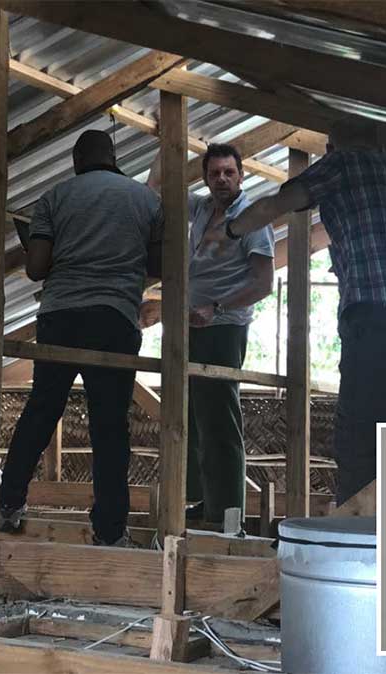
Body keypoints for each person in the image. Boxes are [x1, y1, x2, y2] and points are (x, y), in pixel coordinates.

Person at [206, 117, 386, 506]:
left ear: (330, 149)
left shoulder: (343, 164)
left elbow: (278, 203)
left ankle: (356, 544)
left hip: (378, 309)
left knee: (358, 435)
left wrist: (230, 231)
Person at [0, 129, 163, 547]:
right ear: (113, 157)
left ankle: (8, 504)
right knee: (109, 426)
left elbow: (36, 268)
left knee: (42, 409)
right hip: (114, 318)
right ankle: (109, 531)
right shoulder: (146, 200)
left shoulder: (53, 198)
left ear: (76, 161)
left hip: (60, 317)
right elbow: (159, 264)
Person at [147, 144, 275, 524]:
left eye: (229, 173)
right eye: (215, 173)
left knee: (219, 417)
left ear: (241, 175)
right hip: (191, 324)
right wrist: (168, 139)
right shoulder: (202, 208)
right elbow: (154, 188)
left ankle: (229, 512)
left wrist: (218, 307)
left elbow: (264, 282)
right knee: (193, 414)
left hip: (224, 328)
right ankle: (204, 500)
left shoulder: (252, 220)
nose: (222, 179)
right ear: (205, 177)